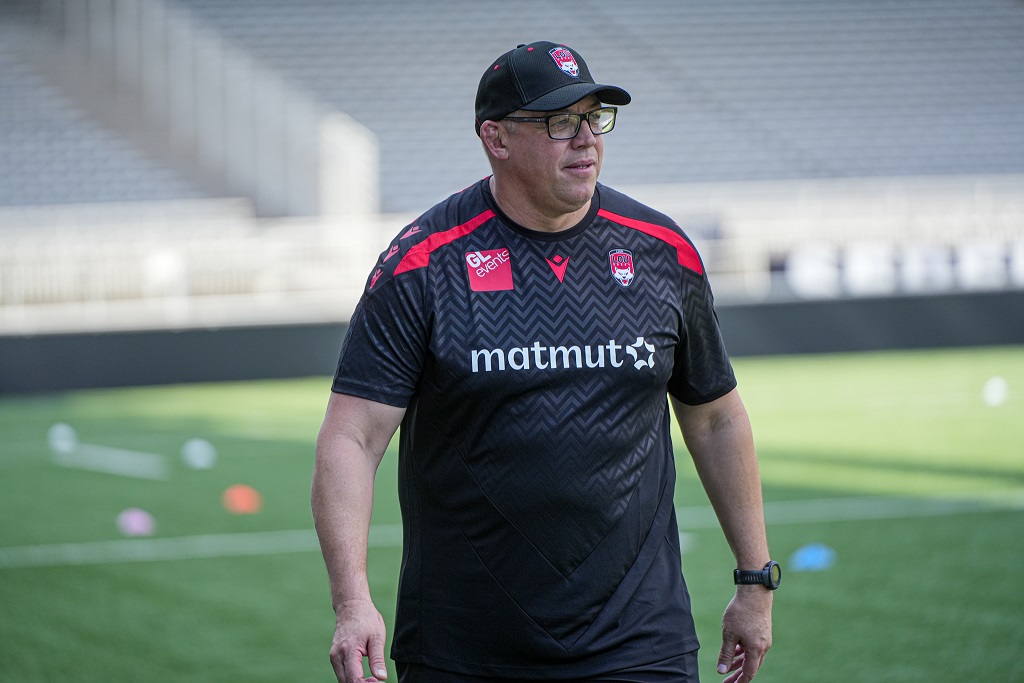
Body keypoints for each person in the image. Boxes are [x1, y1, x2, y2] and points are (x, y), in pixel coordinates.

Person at [312, 40, 777, 683]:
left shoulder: (662, 251)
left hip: (641, 642)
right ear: (495, 138)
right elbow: (352, 437)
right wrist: (352, 601)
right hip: (465, 646)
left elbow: (716, 419)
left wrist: (756, 580)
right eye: (560, 122)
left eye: (595, 118)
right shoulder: (422, 263)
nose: (585, 139)